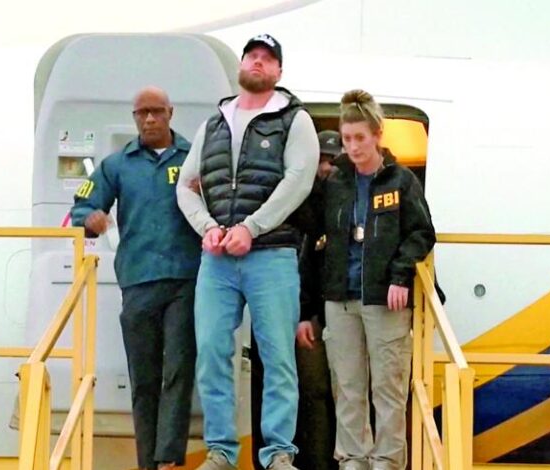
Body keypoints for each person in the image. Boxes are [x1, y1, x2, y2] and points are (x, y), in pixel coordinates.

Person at [177, 34, 319, 470]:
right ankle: (221, 450)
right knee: (211, 352)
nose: (258, 62)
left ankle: (278, 452)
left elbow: (299, 180)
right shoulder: (213, 124)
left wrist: (251, 227)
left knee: (277, 356)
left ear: (279, 71)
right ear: (241, 64)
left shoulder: (295, 120)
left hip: (272, 255)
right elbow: (186, 185)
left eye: (267, 59)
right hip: (217, 259)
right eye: (252, 55)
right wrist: (207, 228)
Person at [70, 86, 200, 470]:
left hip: (185, 279)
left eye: (156, 111)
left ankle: (169, 458)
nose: (149, 119)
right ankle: (148, 462)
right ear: (134, 117)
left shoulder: (194, 159)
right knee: (143, 379)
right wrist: (91, 219)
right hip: (138, 281)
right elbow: (82, 208)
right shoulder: (117, 165)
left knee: (178, 370)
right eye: (142, 113)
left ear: (171, 113)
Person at [321, 90, 437, 470]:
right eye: (347, 138)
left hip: (384, 298)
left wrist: (400, 275)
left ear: (376, 135)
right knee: (347, 385)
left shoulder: (400, 181)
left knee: (388, 385)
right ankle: (353, 459)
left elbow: (421, 232)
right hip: (340, 297)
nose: (353, 146)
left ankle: (387, 460)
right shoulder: (335, 182)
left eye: (360, 137)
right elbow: (315, 232)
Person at [251, 130, 342, 470]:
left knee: (346, 396)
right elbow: (305, 262)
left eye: (333, 160)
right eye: (322, 160)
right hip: (310, 315)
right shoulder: (300, 206)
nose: (327, 167)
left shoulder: (350, 199)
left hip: (343, 312)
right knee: (312, 393)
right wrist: (305, 313)